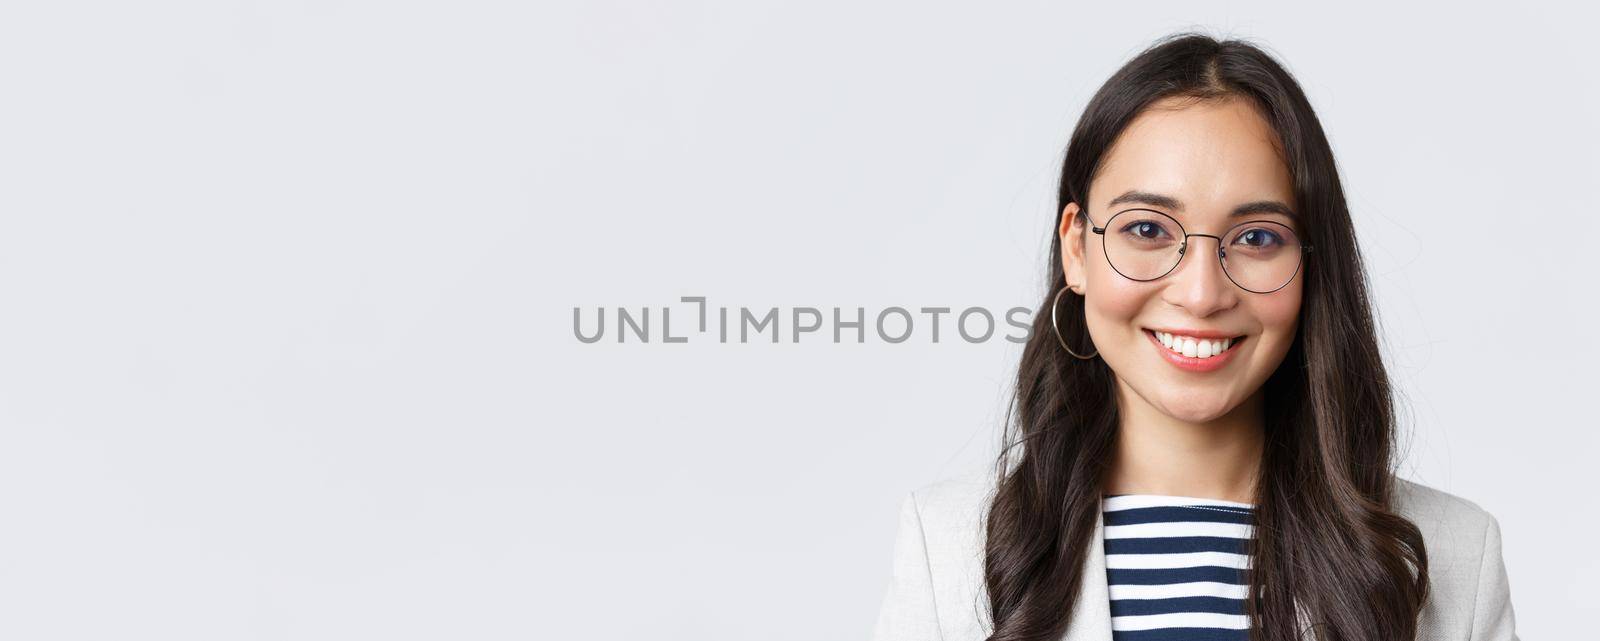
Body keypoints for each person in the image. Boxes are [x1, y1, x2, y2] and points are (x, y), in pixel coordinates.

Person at [869, 32, 1519, 641]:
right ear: (1076, 247)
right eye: (1148, 230)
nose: (1202, 293)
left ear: (1312, 263)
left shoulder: (1451, 554)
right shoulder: (949, 547)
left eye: (1258, 237)